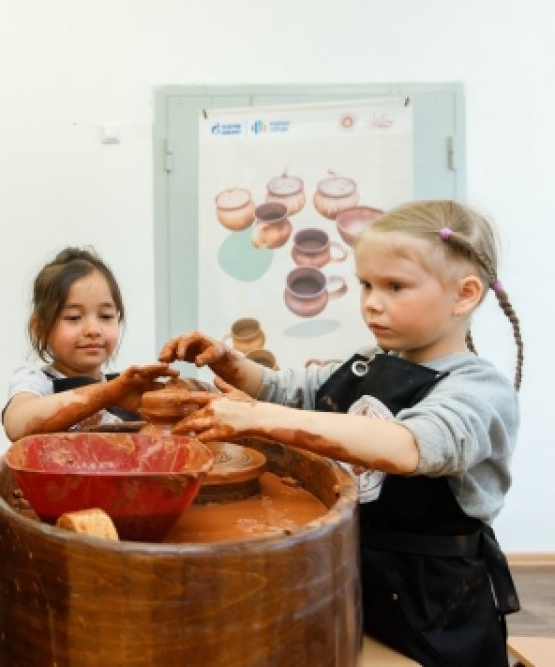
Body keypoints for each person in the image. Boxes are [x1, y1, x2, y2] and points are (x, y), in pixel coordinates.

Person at [162, 199, 522, 667]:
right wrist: (228, 361)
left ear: (465, 294)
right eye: (366, 284)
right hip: (352, 569)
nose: (372, 301)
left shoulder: (479, 388)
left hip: (434, 601)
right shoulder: (368, 363)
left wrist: (259, 420)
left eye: (396, 286)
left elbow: (408, 447)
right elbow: (283, 389)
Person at [2, 247, 178, 441]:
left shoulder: (122, 387)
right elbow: (16, 424)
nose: (93, 330)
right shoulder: (37, 381)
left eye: (106, 316)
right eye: (74, 317)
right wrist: (104, 394)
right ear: (40, 329)